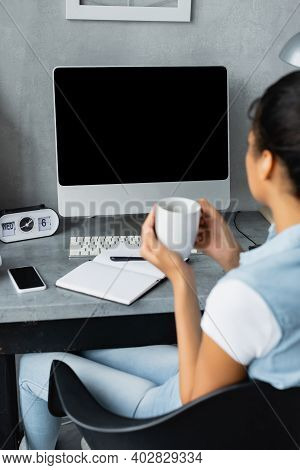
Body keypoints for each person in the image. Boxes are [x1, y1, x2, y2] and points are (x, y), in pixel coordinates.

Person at [19, 71, 300, 449]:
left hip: (189, 422)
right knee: (82, 345)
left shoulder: (244, 293)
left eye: (250, 145)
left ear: (265, 163)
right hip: (248, 398)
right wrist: (232, 258)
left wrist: (180, 277)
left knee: (34, 363)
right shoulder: (278, 246)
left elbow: (194, 401)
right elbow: (269, 321)